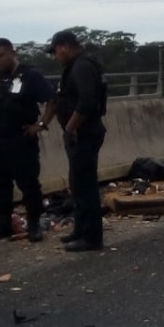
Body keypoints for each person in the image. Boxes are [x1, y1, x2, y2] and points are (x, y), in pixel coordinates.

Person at [0, 38, 55, 242]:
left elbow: (52, 100)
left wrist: (41, 125)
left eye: (0, 55)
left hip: (21, 138)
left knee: (29, 184)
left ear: (12, 53)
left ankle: (33, 225)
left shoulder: (30, 75)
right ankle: (4, 225)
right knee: (0, 184)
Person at [46, 30, 107, 252]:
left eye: (56, 52)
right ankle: (81, 230)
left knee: (85, 185)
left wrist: (71, 126)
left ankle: (92, 237)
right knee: (77, 184)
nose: (56, 57)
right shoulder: (77, 66)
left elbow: (87, 102)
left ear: (64, 46)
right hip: (80, 133)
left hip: (84, 133)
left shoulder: (81, 66)